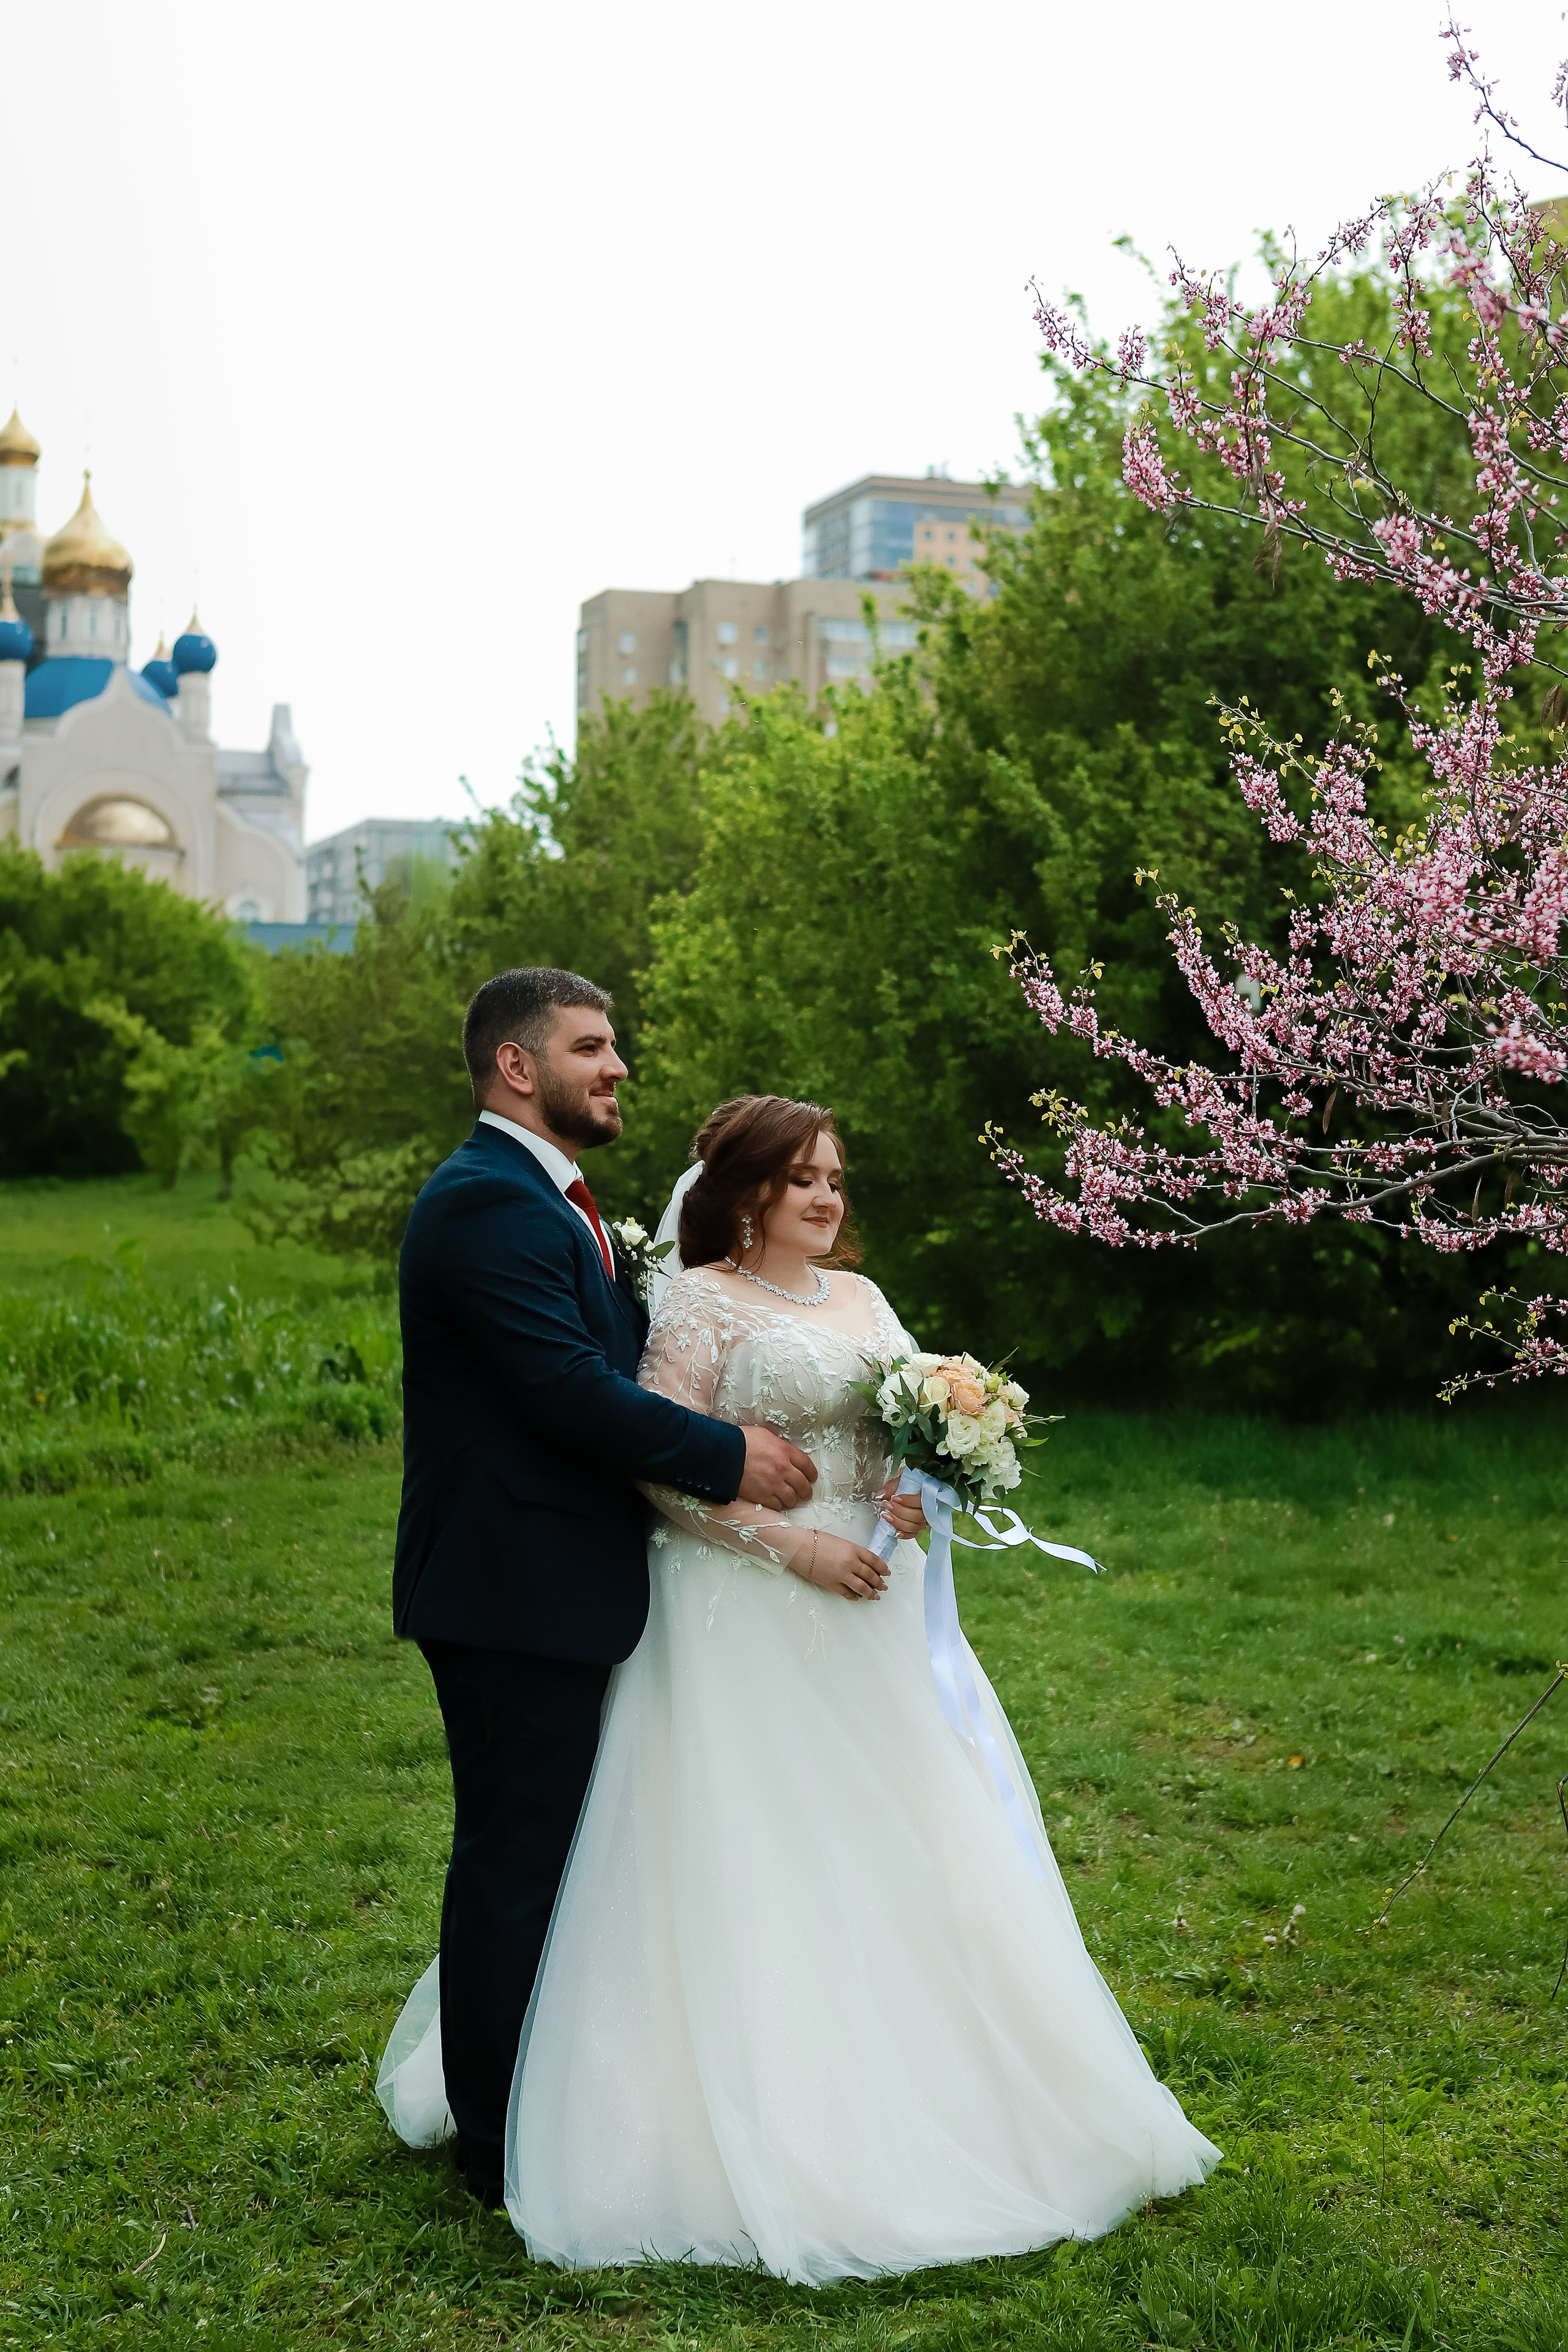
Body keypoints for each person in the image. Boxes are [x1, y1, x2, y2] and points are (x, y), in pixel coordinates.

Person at [381, 1091, 1220, 2277]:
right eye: (801, 1177)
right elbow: (655, 1470)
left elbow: (890, 1430)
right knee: (749, 1847)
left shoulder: (864, 1299)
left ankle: (928, 2080)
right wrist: (794, 1547)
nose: (826, 1196)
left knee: (900, 1840)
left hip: (870, 1611)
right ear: (747, 1193)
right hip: (739, 1608)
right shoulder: (695, 1302)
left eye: (834, 1176)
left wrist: (920, 1483)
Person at [388, 973, 835, 2210]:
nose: (618, 1066)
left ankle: (541, 2104)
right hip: (508, 1588)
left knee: (554, 1853)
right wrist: (728, 1457)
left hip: (556, 1582)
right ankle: (496, 2147)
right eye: (591, 1047)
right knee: (516, 1858)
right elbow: (567, 1394)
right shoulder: (484, 1203)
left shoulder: (554, 1199)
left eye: (614, 1045)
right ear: (516, 1067)